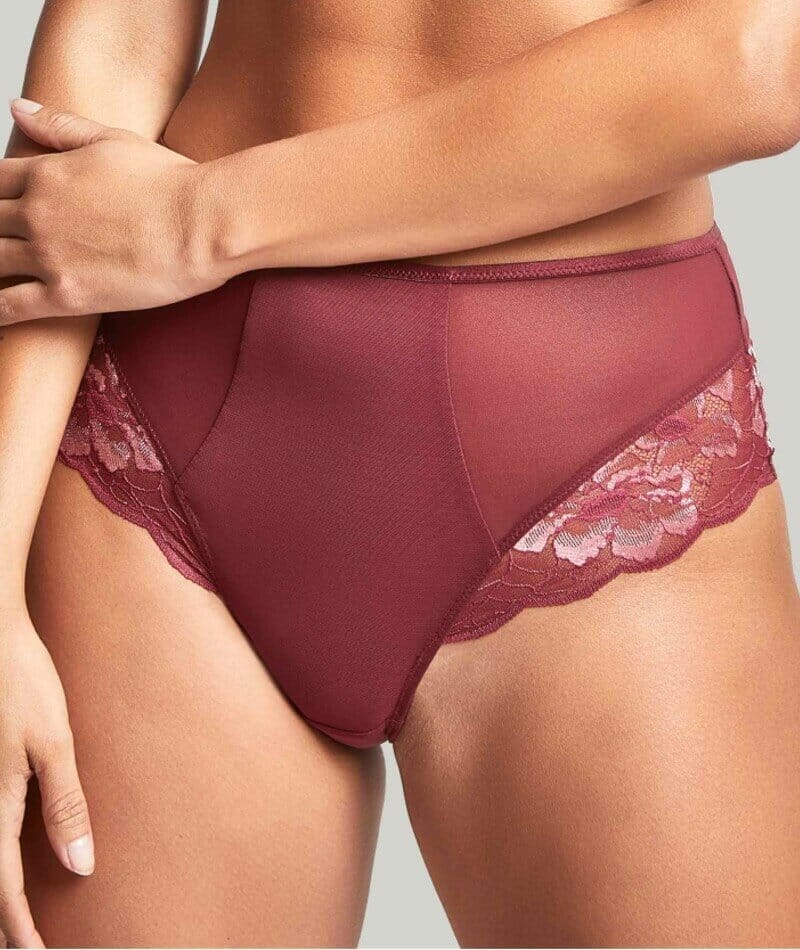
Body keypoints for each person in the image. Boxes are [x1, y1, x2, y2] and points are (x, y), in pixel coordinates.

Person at [1, 1, 798, 946]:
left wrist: (198, 220)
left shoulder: (193, 225)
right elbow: (116, 39)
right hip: (157, 412)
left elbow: (758, 54)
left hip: (585, 433)